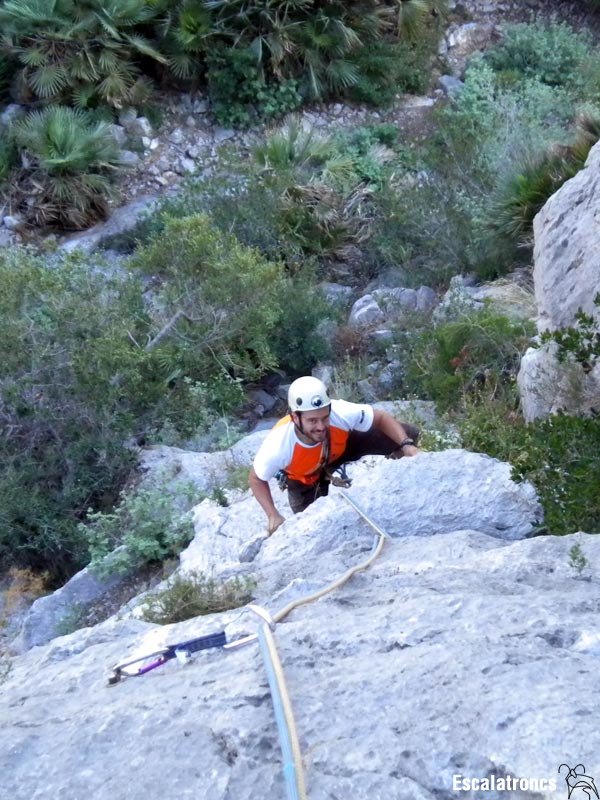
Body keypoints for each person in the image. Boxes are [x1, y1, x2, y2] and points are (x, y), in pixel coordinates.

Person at [249, 376, 420, 534]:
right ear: (295, 417)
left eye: (325, 418)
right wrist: (272, 514)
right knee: (315, 530)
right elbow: (257, 478)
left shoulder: (340, 412)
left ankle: (401, 483)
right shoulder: (279, 443)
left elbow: (381, 418)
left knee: (407, 433)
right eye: (312, 420)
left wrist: (406, 445)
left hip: (341, 450)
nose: (321, 426)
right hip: (305, 479)